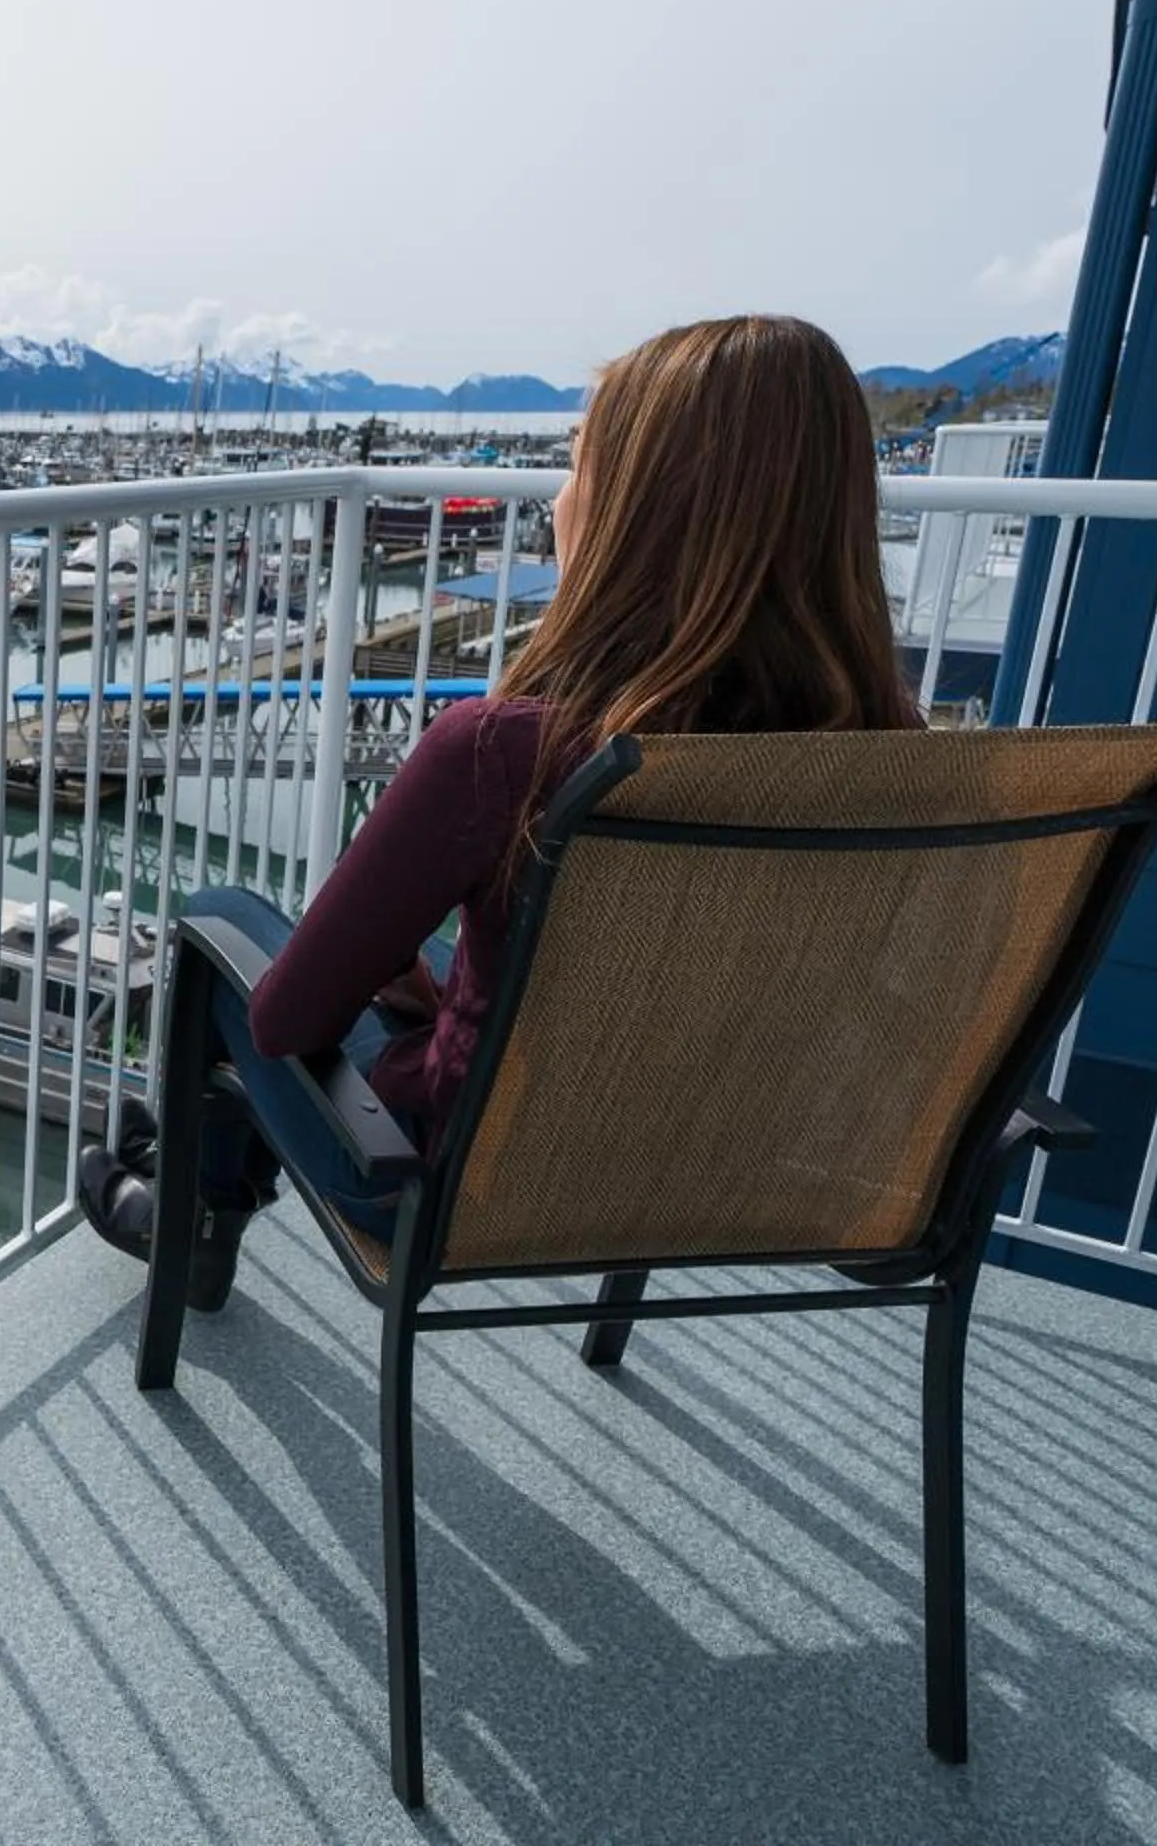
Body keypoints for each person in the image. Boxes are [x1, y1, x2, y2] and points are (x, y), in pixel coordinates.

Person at [78, 314, 922, 1311]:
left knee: (222, 925)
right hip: (725, 1167)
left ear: (633, 511)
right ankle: (194, 1182)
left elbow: (286, 1020)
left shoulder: (507, 752)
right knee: (430, 962)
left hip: (451, 1184)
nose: (560, 497)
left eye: (579, 465)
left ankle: (193, 1214)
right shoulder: (895, 760)